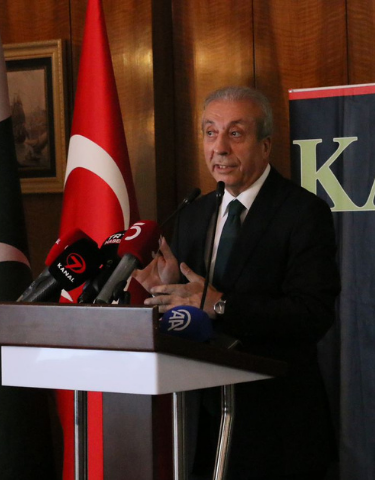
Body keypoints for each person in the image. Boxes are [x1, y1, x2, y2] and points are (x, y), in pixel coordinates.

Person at [135, 86, 339, 480]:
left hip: (277, 423)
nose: (220, 148)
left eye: (235, 133)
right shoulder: (193, 214)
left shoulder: (303, 212)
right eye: (210, 132)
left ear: (265, 145)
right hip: (201, 421)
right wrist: (167, 287)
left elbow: (312, 314)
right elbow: (190, 306)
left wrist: (220, 304)